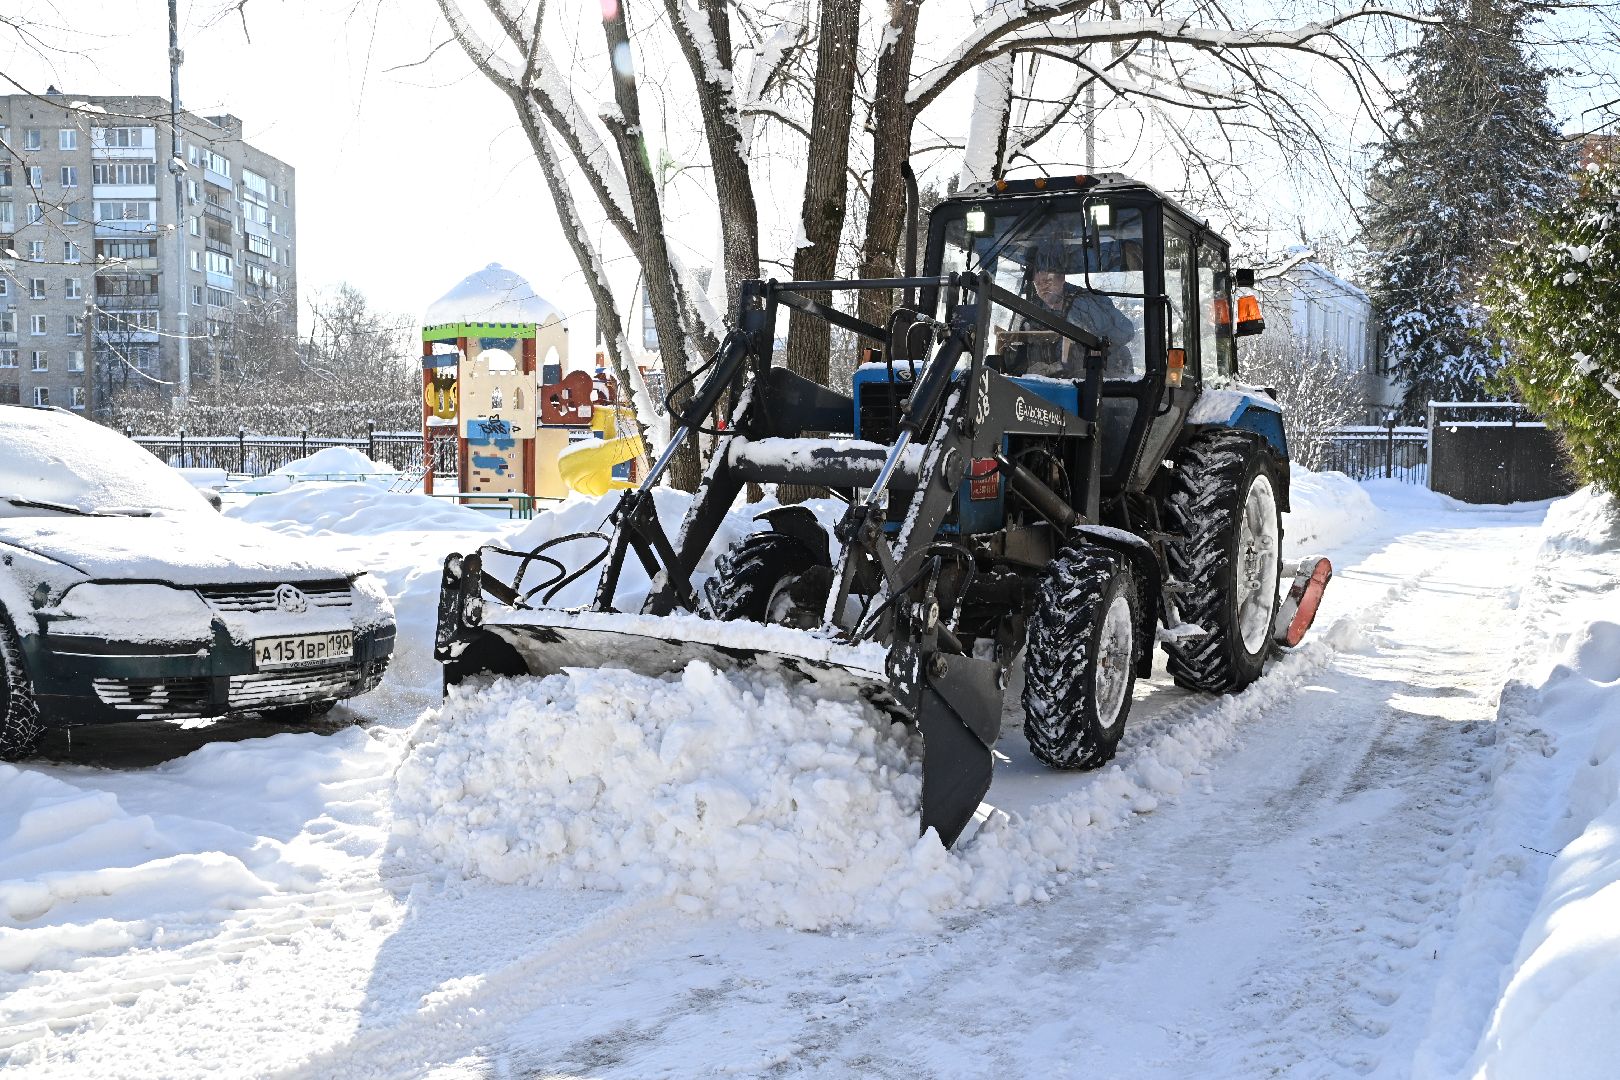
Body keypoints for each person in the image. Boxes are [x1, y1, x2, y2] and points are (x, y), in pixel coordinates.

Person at [1007, 240, 1138, 379]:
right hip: (1045, 387)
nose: (1042, 288)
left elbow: (1126, 332)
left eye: (1047, 281)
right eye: (1038, 284)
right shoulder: (1031, 313)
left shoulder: (1087, 305)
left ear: (1061, 279)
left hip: (1093, 384)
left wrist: (1094, 339)